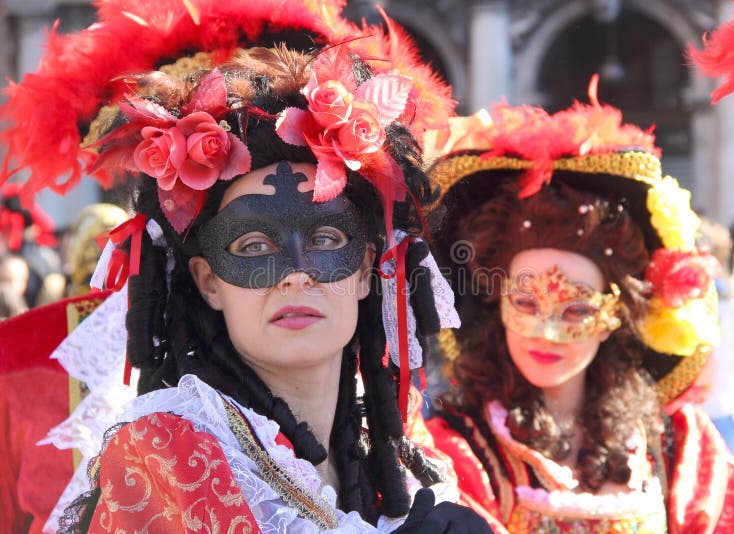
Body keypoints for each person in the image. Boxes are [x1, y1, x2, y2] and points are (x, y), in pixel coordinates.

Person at [0, 1, 491, 532]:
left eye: (326, 237)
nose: (295, 274)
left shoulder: (411, 461)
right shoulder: (163, 460)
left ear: (367, 266)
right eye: (254, 246)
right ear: (207, 280)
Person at [423, 86, 734, 532]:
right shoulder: (458, 453)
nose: (547, 331)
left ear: (615, 315)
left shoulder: (679, 446)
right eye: (525, 302)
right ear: (496, 300)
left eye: (577, 310)